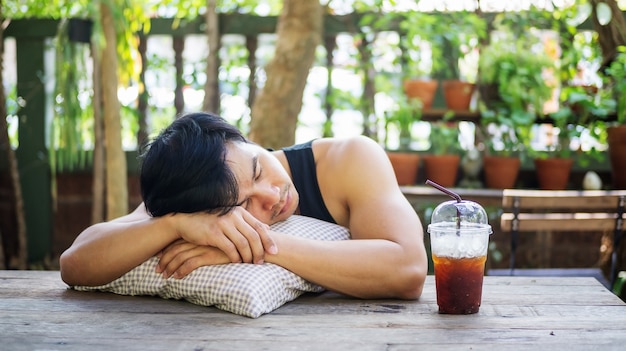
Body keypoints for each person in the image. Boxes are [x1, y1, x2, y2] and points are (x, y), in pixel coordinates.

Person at [60, 112, 428, 300]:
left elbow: (408, 268)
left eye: (257, 169)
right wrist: (169, 227)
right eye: (242, 206)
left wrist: (254, 245)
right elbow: (75, 263)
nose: (271, 196)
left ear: (246, 139)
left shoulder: (349, 159)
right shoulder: (193, 203)